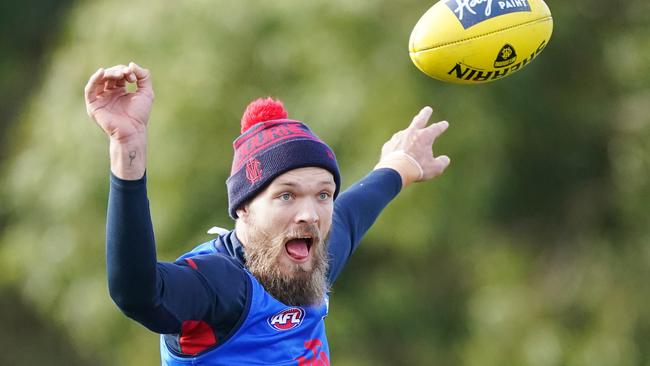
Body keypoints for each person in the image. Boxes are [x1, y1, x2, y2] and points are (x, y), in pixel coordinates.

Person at [84, 62, 451, 365]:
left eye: (323, 194)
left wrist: (401, 164)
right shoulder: (220, 286)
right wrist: (127, 147)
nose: (310, 213)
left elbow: (355, 211)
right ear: (243, 207)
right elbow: (137, 293)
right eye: (286, 196)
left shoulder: (309, 257)